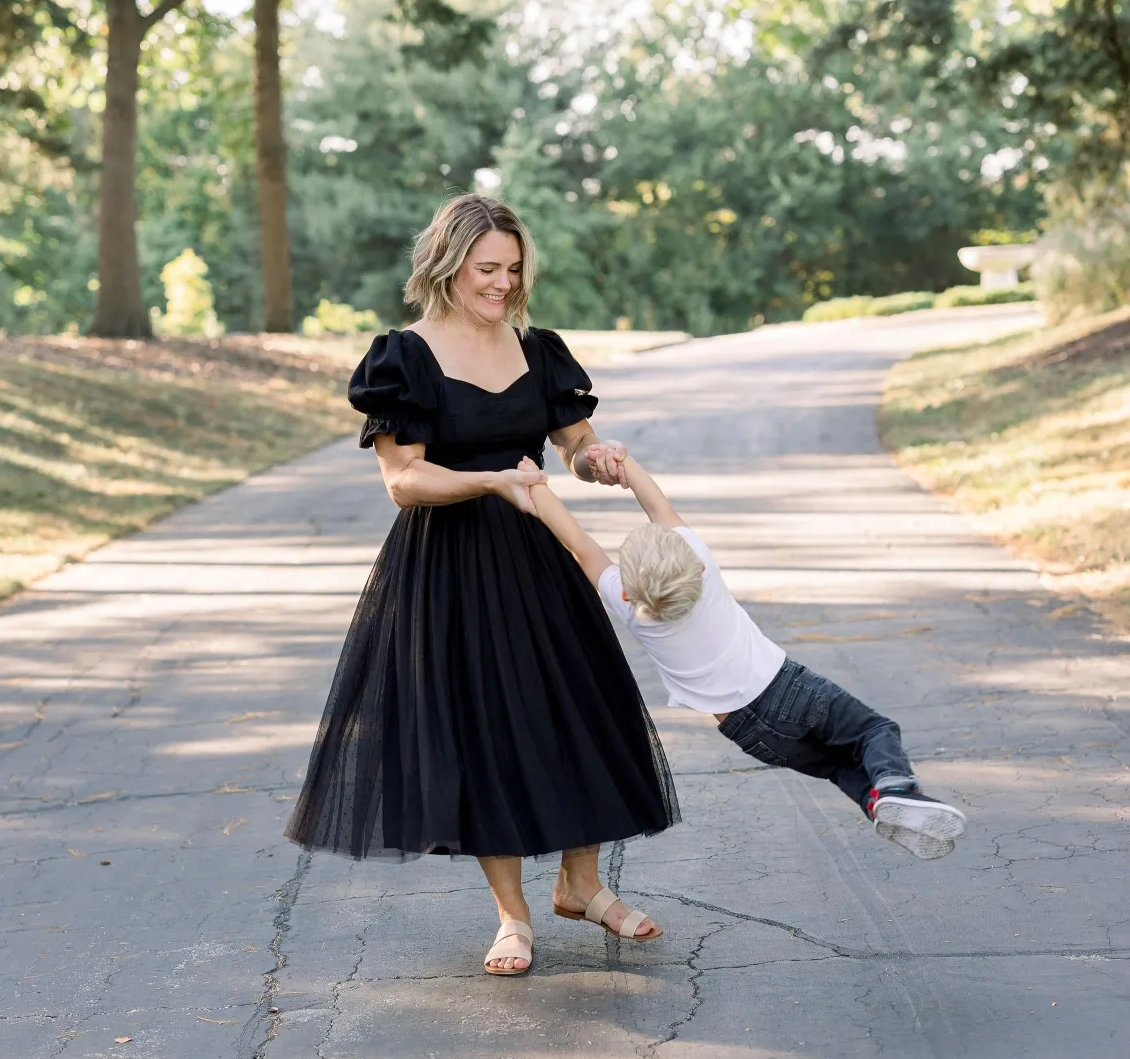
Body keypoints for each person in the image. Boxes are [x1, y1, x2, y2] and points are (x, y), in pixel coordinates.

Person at [284, 194, 679, 977]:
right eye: (487, 268)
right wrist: (494, 479)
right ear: (448, 262)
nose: (503, 284)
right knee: (486, 732)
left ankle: (583, 885)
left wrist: (596, 458)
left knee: (583, 707)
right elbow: (403, 480)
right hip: (449, 568)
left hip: (540, 553)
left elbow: (572, 440)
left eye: (514, 269)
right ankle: (513, 915)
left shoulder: (539, 349)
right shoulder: (406, 356)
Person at [523, 452, 968, 859]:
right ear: (695, 566)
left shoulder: (632, 609)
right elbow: (657, 505)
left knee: (838, 767)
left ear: (628, 588)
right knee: (873, 732)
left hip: (746, 732)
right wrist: (624, 463)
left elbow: (579, 544)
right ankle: (898, 788)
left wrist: (536, 488)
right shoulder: (702, 570)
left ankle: (878, 806)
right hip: (787, 691)